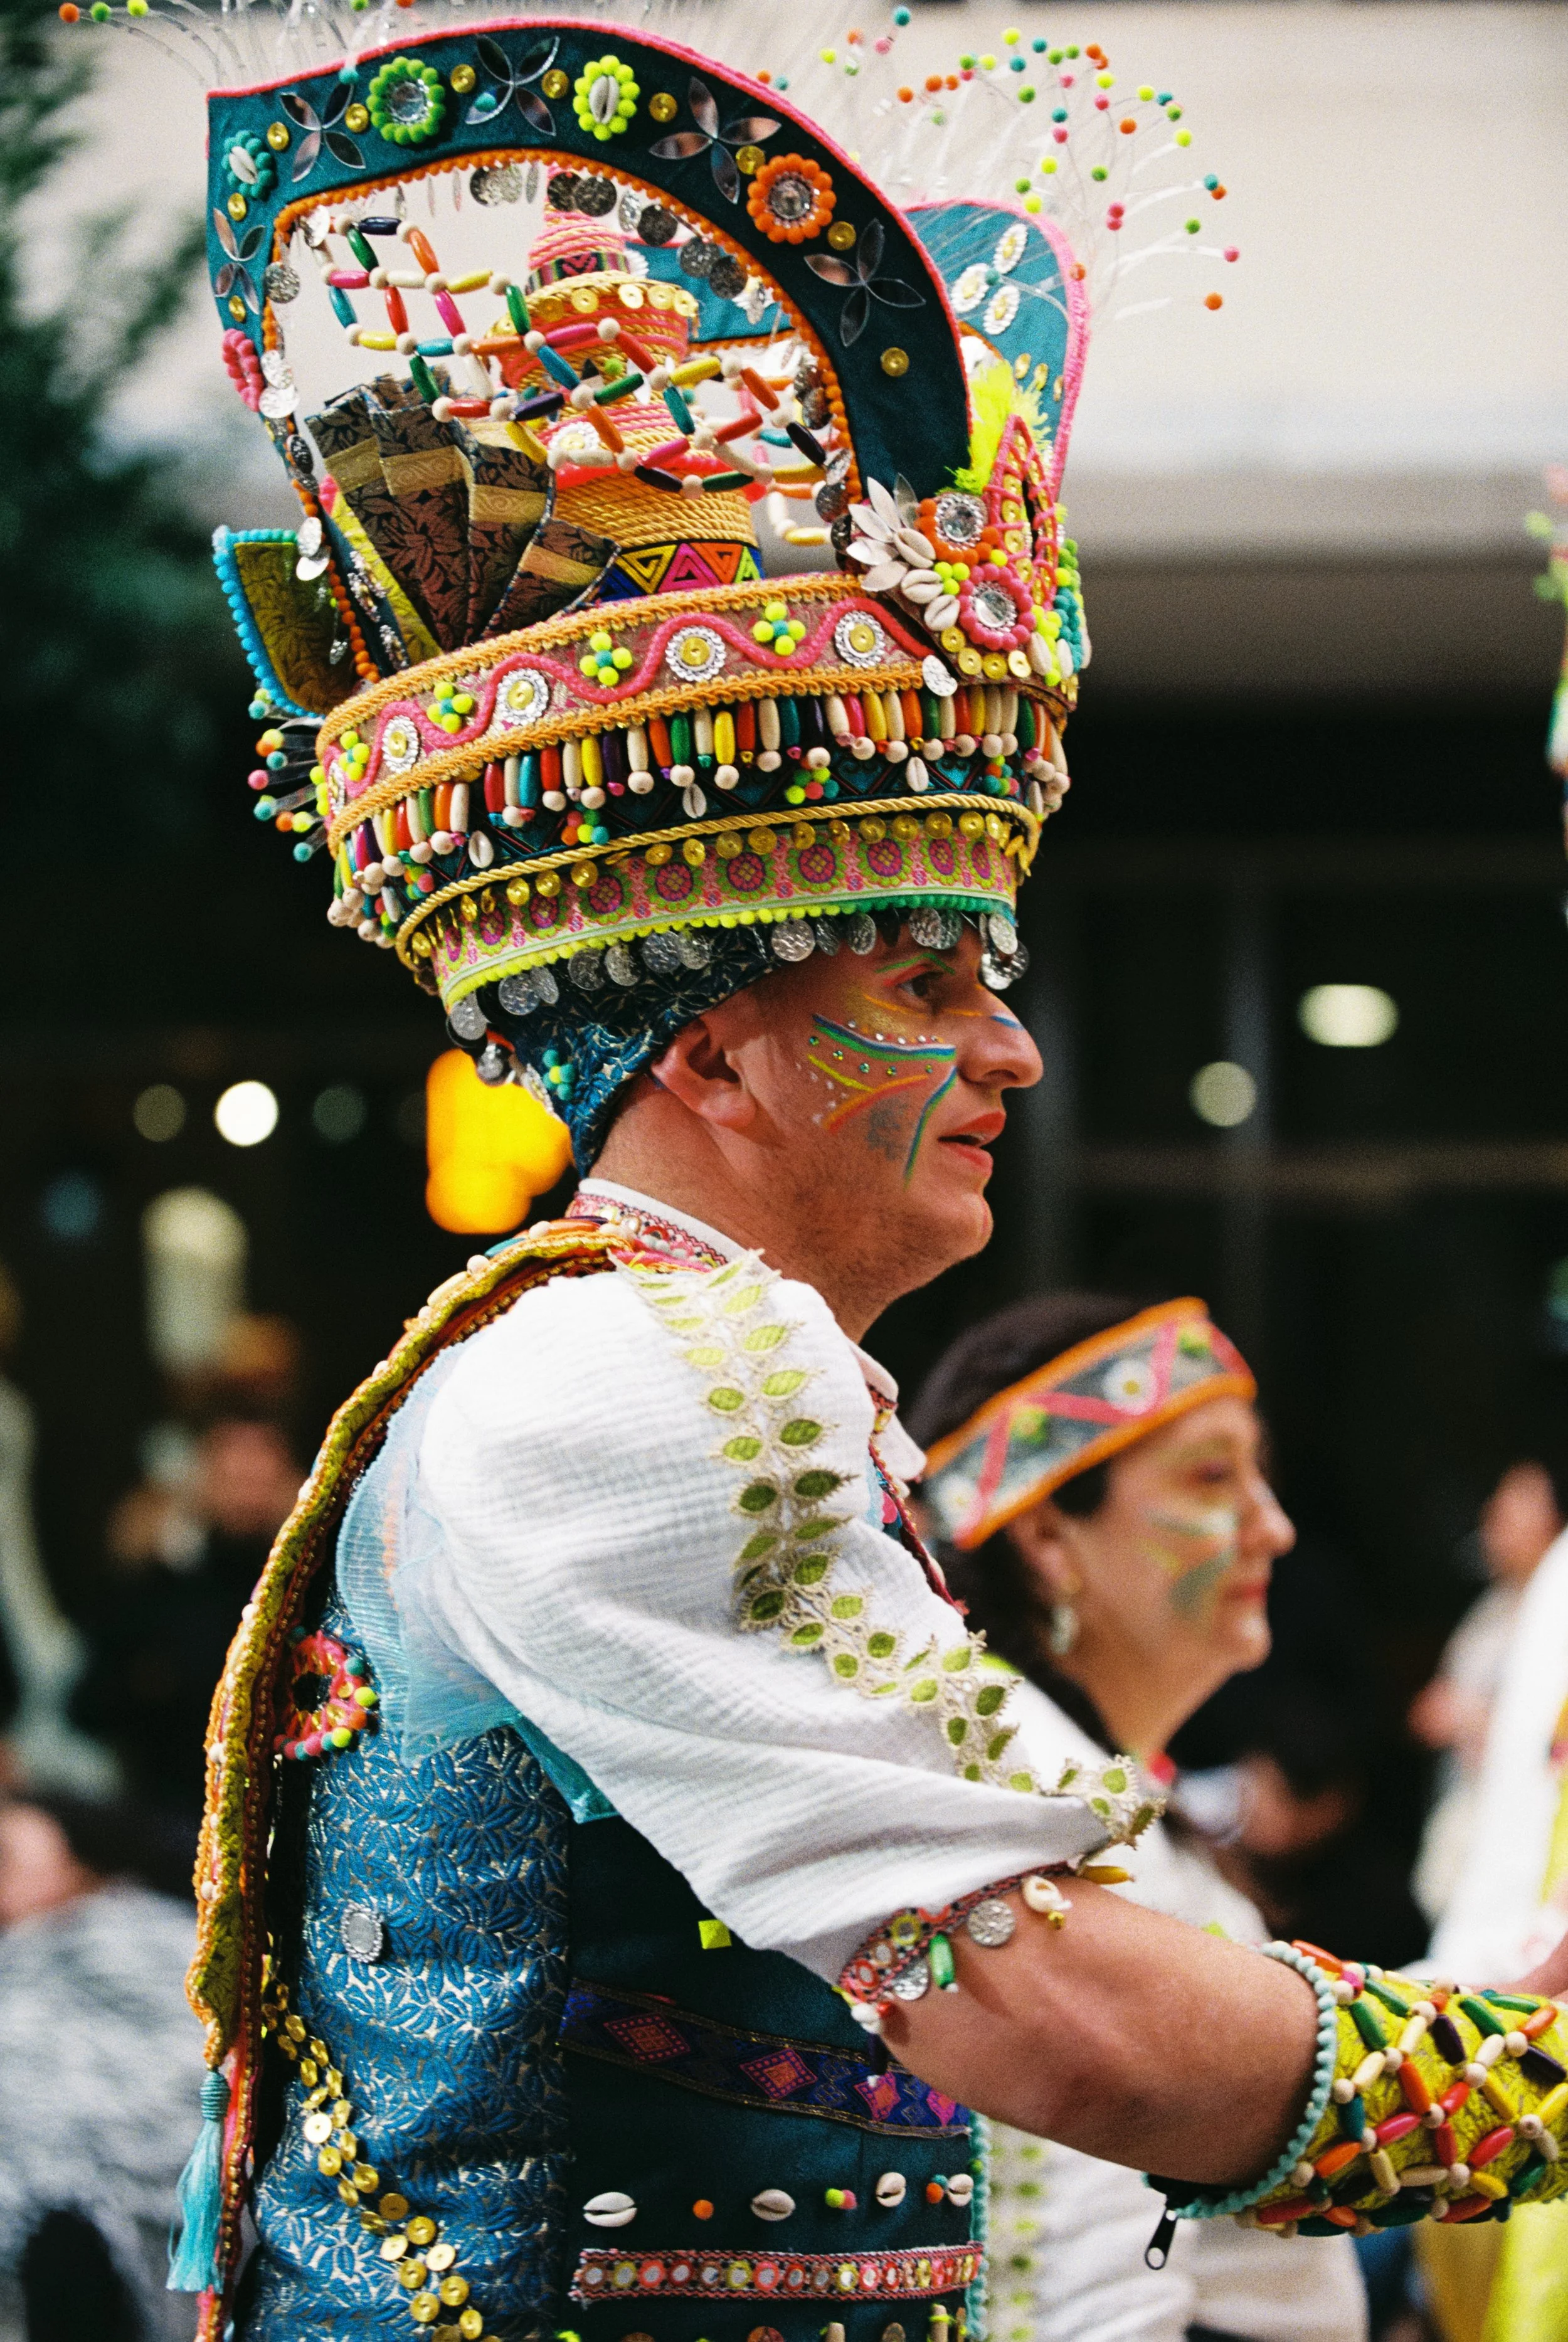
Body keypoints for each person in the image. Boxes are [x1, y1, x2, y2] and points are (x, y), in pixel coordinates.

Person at [73, 10, 1568, 2342]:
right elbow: (1039, 2010)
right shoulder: (655, 1370)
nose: (1015, 1044)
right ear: (704, 1038)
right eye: (925, 976)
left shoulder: (657, 1356)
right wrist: (1530, 2078)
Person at [911, 1292, 1367, 2342]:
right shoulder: (1025, 1793)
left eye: (1262, 1473)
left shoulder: (1103, 1792)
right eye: (1212, 1476)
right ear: (1047, 1537)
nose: (1274, 1524)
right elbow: (1066, 2266)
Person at [0, 1792, 204, 2342]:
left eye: (6, 1855)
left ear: (82, 1853)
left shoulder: (145, 1934)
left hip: (127, 2215)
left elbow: (197, 2063)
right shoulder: (16, 1962)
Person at [1409, 1459, 1564, 1931]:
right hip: (1464, 1803)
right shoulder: (1492, 1609)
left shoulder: (1556, 1611)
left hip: (1528, 1821)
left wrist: (1471, 1720)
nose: (1498, 1513)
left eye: (1519, 1501)